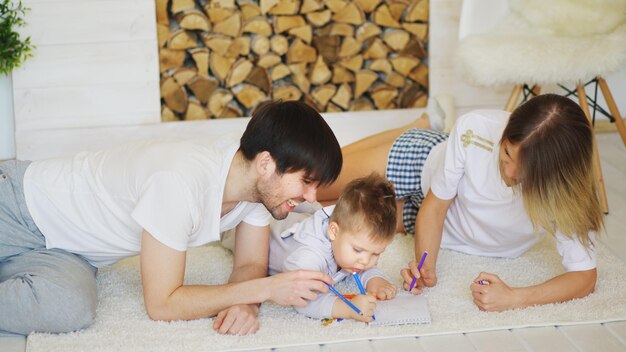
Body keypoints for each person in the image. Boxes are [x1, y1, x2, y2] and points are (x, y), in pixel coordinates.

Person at [0, 100, 343, 337]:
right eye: (306, 182)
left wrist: (247, 303)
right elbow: (162, 304)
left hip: (68, 251)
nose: (311, 198)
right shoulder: (180, 181)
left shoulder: (255, 188)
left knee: (69, 310)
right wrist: (267, 289)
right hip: (17, 205)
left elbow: (250, 262)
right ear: (267, 164)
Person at [317, 94, 603, 312]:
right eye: (506, 154)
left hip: (429, 218)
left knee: (330, 212)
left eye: (524, 172)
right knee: (315, 185)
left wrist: (515, 297)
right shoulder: (477, 127)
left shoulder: (568, 195)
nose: (509, 173)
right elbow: (436, 206)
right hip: (422, 164)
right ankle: (420, 125)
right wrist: (424, 262)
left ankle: (423, 122)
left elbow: (584, 277)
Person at [269, 173, 398, 322]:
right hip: (261, 231)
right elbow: (304, 300)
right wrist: (347, 308)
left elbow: (364, 269)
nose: (365, 261)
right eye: (358, 250)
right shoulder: (310, 257)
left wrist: (375, 280)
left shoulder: (351, 242)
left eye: (376, 253)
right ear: (333, 231)